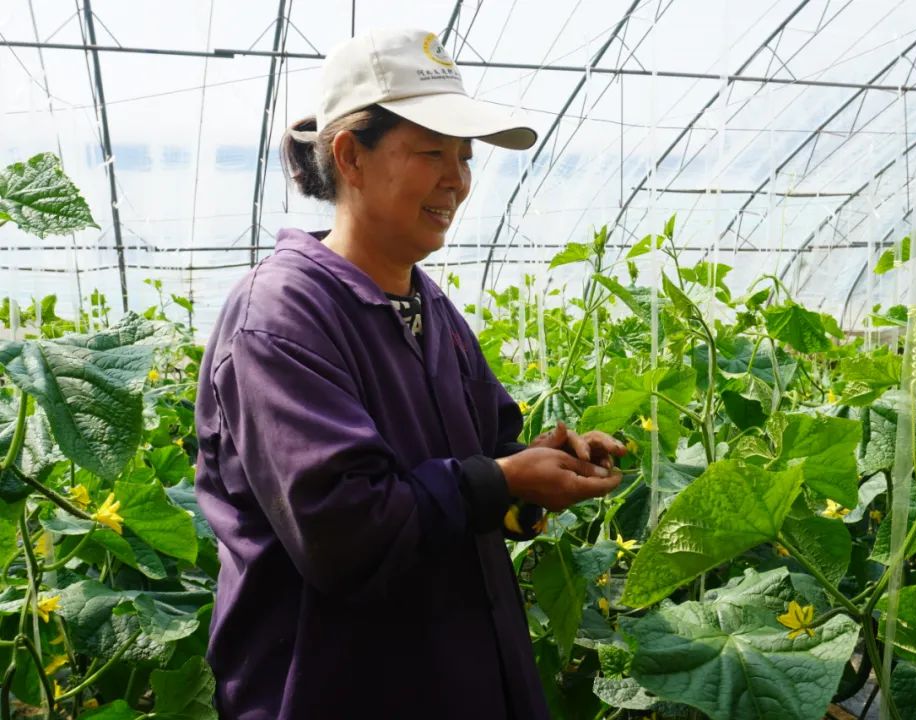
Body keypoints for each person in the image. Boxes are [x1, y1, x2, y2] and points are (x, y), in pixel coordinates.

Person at [194, 27, 625, 720]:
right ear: (349, 157)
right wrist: (502, 479)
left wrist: (543, 467)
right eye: (432, 152)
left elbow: (485, 462)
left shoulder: (430, 309)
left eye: (465, 156)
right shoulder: (279, 317)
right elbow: (345, 530)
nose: (457, 178)